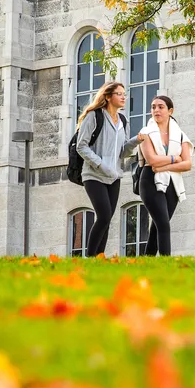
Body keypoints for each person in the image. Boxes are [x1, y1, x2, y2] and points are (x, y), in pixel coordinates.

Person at [75, 81, 139, 257]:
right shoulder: (94, 116)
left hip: (114, 176)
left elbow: (123, 152)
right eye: (119, 94)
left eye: (124, 93)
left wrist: (136, 140)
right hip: (94, 175)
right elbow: (81, 146)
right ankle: (89, 257)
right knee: (103, 215)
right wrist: (101, 164)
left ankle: (99, 257)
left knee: (107, 219)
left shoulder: (122, 120)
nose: (123, 97)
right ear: (108, 97)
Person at [137, 95, 193, 256]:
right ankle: (166, 262)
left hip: (172, 182)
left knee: (158, 225)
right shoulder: (145, 132)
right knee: (163, 224)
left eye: (160, 107)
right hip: (150, 181)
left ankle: (146, 261)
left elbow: (188, 164)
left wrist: (166, 166)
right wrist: (176, 159)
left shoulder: (180, 135)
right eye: (153, 107)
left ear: (170, 111)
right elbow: (152, 160)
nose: (156, 110)